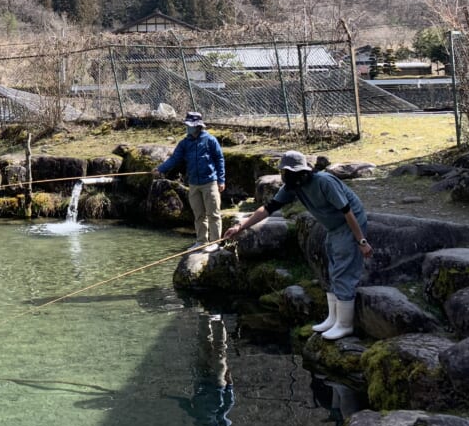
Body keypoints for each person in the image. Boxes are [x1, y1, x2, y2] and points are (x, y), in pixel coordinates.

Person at [223, 150, 373, 340]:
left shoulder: (324, 182)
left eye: (287, 172)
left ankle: (344, 325)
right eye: (283, 172)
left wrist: (361, 241)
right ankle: (333, 318)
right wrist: (240, 226)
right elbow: (268, 208)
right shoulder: (293, 186)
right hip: (333, 228)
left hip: (349, 225)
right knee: (332, 269)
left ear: (301, 172)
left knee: (343, 271)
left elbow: (347, 211)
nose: (284, 175)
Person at [154, 112, 226, 251]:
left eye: (190, 126)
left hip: (210, 182)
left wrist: (221, 180)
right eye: (187, 125)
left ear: (198, 126)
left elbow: (219, 159)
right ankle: (201, 241)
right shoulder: (184, 143)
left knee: (213, 213)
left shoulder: (210, 140)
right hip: (193, 184)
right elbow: (174, 159)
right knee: (199, 215)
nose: (188, 128)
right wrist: (160, 169)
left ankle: (215, 243)